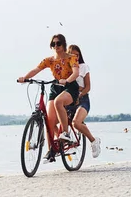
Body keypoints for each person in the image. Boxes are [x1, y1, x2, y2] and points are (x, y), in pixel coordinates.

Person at [18, 34, 79, 162]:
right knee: (49, 121)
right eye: (53, 44)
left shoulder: (72, 58)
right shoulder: (49, 60)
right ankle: (51, 151)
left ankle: (66, 133)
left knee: (58, 102)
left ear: (63, 45)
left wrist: (67, 81)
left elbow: (76, 73)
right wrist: (25, 78)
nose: (55, 46)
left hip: (69, 86)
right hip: (56, 87)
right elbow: (36, 69)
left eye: (58, 44)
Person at [67, 44, 101, 158]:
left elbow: (87, 87)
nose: (76, 57)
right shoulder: (67, 67)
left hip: (83, 100)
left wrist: (80, 94)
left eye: (77, 55)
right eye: (73, 55)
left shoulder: (84, 67)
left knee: (76, 123)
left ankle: (93, 141)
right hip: (69, 99)